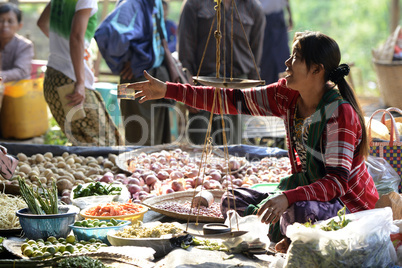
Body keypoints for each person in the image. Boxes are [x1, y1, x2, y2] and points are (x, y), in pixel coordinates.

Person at [128, 31, 379, 253]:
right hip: (303, 190)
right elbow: (230, 99)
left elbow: (336, 183)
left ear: (317, 69)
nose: (287, 62)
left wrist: (288, 197)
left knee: (296, 212)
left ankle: (287, 234)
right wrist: (168, 91)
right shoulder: (286, 96)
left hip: (346, 205)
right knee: (231, 201)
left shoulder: (339, 113)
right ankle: (283, 234)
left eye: (296, 57)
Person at [177, 0, 265, 145]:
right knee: (198, 148)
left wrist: (252, 93)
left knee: (231, 148)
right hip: (202, 85)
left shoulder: (253, 8)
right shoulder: (194, 4)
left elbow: (255, 55)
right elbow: (185, 53)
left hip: (236, 87)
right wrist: (188, 89)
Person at [37, 0, 122, 146]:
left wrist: (62, 46)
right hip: (70, 82)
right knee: (105, 144)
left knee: (83, 143)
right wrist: (81, 81)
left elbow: (42, 23)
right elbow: (76, 38)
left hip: (53, 78)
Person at [95, 0, 177, 146]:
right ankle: (135, 167)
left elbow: (159, 37)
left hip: (155, 74)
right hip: (134, 78)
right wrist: (127, 59)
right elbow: (106, 32)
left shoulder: (155, 2)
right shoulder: (132, 3)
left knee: (157, 138)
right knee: (137, 135)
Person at [259, 0, 292, 84]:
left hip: (278, 17)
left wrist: (290, 14)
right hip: (263, 18)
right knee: (266, 58)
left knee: (283, 55)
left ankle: (285, 85)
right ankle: (268, 87)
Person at [0, 3, 34, 83]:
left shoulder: (25, 46)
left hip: (18, 93)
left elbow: (21, 72)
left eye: (10, 21)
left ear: (19, 25)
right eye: (1, 21)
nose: (5, 25)